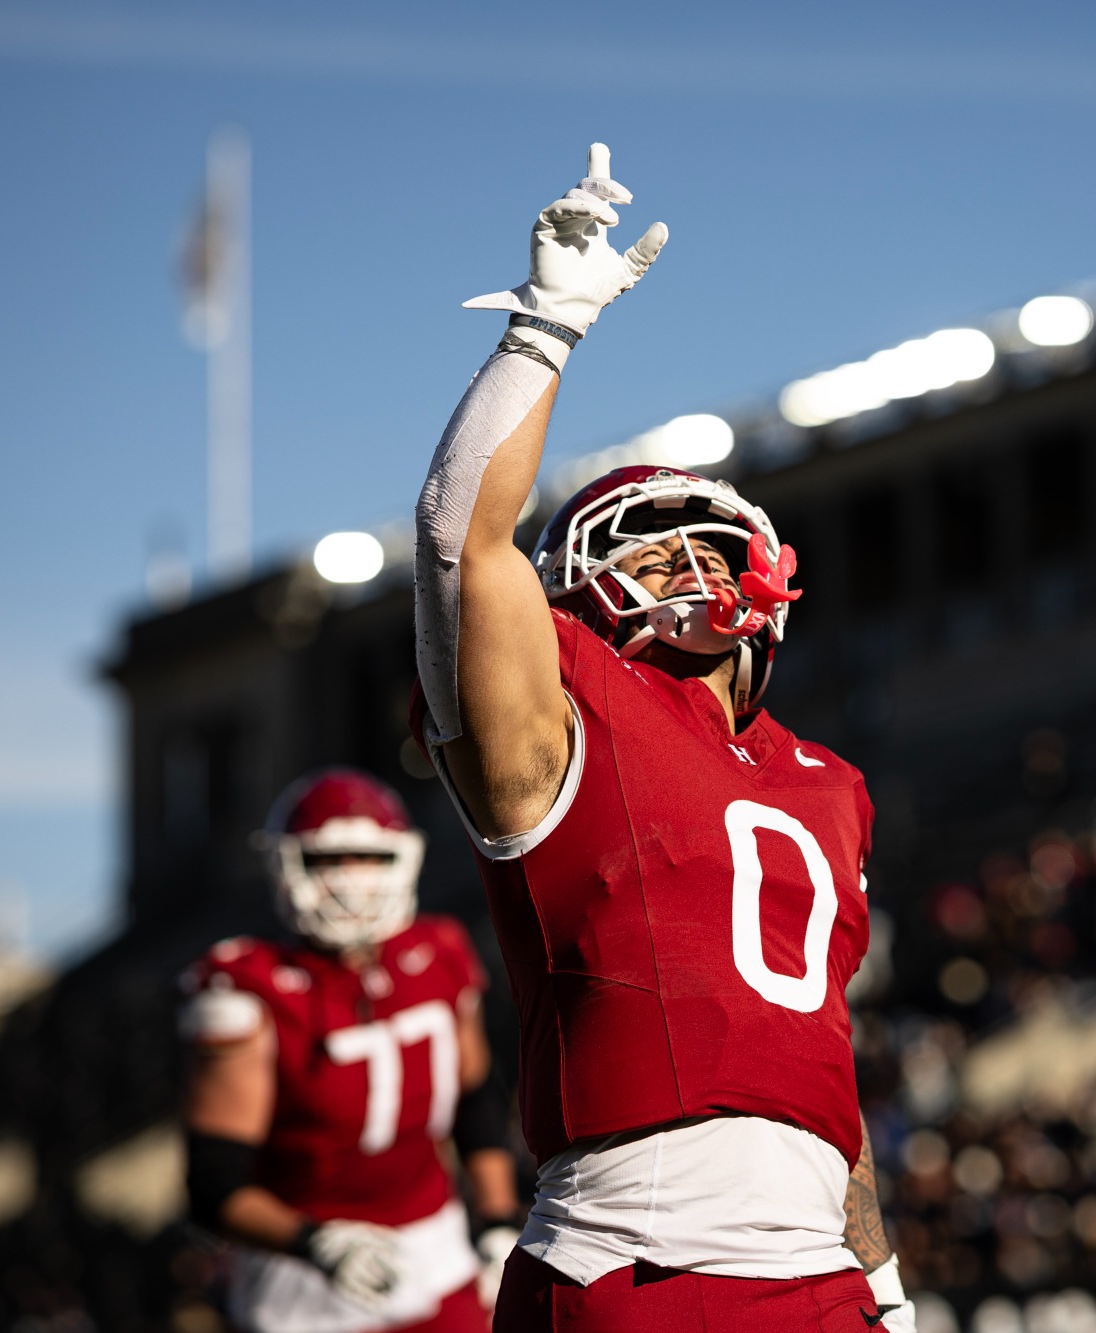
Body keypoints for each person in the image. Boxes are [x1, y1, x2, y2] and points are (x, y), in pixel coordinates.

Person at [408, 143, 916, 1332]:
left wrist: (882, 1279)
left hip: (820, 1270)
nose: (688, 564)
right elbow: (454, 541)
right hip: (635, 1261)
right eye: (647, 545)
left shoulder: (828, 783)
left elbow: (813, 1063)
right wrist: (545, 326)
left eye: (710, 544)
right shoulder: (564, 712)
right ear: (579, 587)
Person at [180, 768, 522, 1333]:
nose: (350, 882)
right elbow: (214, 1185)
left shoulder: (440, 953)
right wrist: (317, 1243)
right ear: (286, 865)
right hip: (301, 1282)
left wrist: (497, 1222)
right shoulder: (245, 987)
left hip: (438, 1255)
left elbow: (475, 1104)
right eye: (326, 861)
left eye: (368, 859)